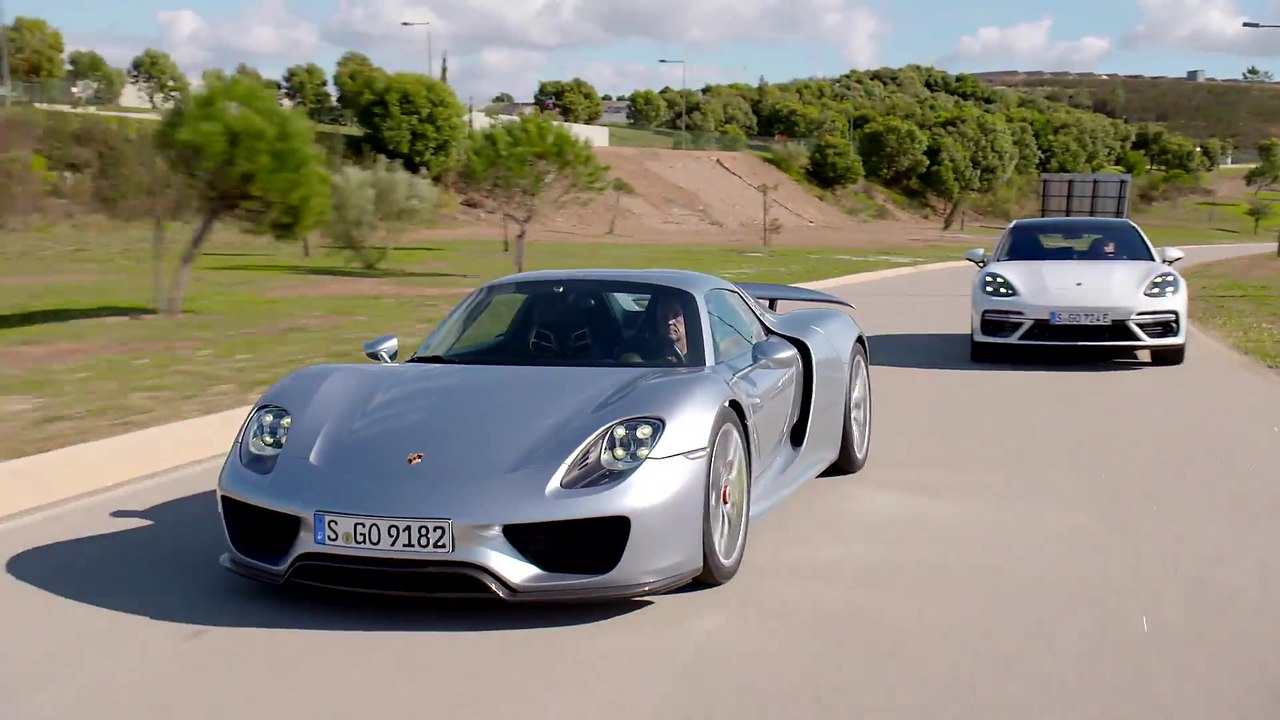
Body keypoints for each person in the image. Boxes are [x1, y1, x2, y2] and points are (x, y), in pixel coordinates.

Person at [618, 293, 689, 364]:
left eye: (676, 315)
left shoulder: (698, 352)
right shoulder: (644, 351)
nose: (669, 321)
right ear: (657, 319)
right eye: (664, 316)